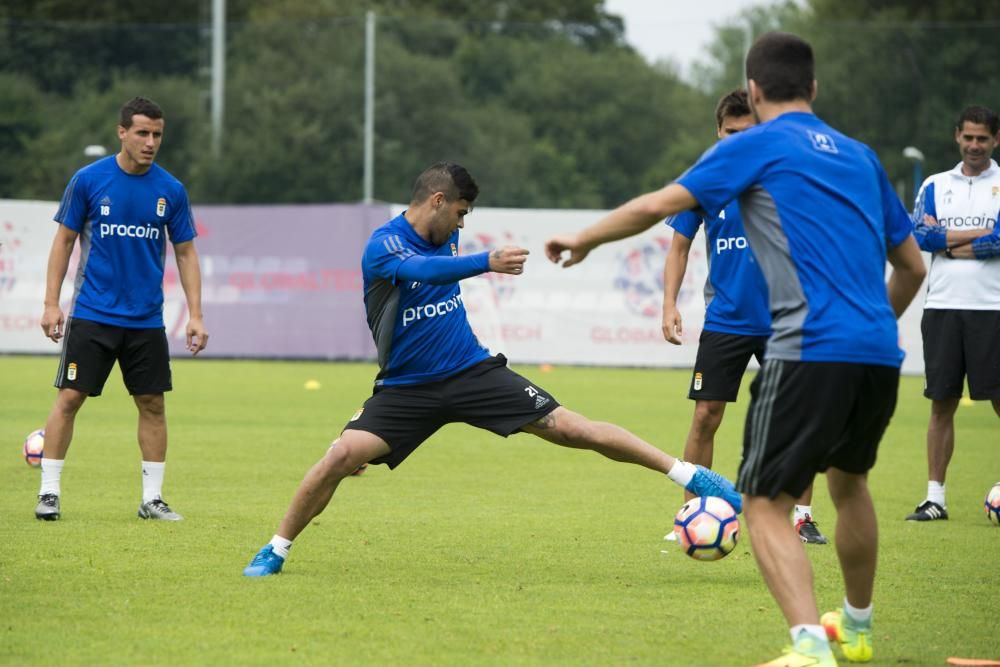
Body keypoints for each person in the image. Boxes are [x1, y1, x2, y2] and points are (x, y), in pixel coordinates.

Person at [544, 32, 926, 667]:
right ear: (815, 88)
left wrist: (584, 238)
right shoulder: (861, 157)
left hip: (808, 346)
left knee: (762, 503)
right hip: (879, 352)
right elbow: (911, 267)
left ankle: (809, 649)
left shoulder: (755, 145)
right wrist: (871, 327)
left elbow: (655, 206)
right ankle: (856, 630)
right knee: (850, 485)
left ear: (753, 91)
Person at [242, 161, 742, 577]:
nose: (461, 225)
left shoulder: (447, 235)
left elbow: (440, 266)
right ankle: (276, 549)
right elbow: (420, 271)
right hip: (406, 390)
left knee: (572, 427)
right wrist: (487, 260)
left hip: (471, 373)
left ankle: (691, 475)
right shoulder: (384, 245)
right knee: (340, 457)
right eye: (459, 213)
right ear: (436, 200)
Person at [662, 88, 827, 546]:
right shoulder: (704, 179)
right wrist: (669, 304)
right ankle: (693, 513)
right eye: (730, 132)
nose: (737, 139)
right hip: (726, 320)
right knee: (705, 417)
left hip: (785, 319)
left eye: (747, 132)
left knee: (796, 418)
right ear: (718, 131)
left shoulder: (786, 175)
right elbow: (679, 247)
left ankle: (802, 516)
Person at [35, 96, 208, 522]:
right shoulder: (88, 180)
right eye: (143, 133)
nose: (151, 142)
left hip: (146, 319)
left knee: (152, 404)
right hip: (92, 313)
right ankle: (49, 492)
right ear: (122, 133)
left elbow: (185, 253)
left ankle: (152, 499)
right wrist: (51, 303)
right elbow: (64, 242)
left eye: (157, 135)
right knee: (70, 397)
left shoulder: (171, 190)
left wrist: (196, 314)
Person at [905, 105, 1000, 522]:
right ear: (957, 137)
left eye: (983, 138)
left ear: (995, 140)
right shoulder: (934, 184)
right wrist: (980, 234)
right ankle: (935, 499)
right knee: (941, 402)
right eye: (969, 137)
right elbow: (921, 235)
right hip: (942, 306)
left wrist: (950, 242)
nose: (975, 145)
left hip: (992, 307)